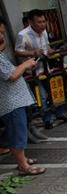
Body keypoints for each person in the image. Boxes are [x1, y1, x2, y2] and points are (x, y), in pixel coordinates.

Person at [15, 9, 67, 130]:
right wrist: (32, 52)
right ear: (31, 22)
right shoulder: (22, 35)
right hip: (33, 71)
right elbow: (17, 51)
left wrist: (51, 51)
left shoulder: (44, 32)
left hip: (46, 68)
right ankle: (47, 119)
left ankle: (60, 113)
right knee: (43, 96)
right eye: (39, 22)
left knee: (56, 90)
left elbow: (46, 48)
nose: (42, 24)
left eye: (43, 21)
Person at [0, 32, 46, 175]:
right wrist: (25, 64)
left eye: (2, 32)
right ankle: (23, 166)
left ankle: (23, 160)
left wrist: (25, 66)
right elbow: (11, 75)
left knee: (17, 132)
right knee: (17, 134)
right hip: (11, 103)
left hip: (15, 101)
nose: (3, 36)